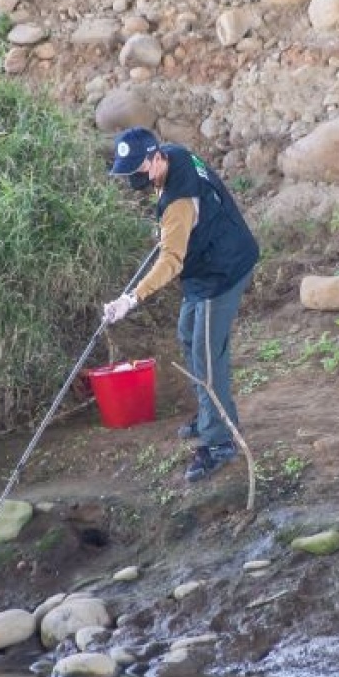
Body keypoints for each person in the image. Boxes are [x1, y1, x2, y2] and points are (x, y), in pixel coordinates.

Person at [102, 127, 260, 482]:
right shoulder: (175, 154)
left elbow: (172, 260)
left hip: (220, 272)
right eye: (128, 172)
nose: (134, 179)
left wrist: (131, 298)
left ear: (156, 157)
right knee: (188, 333)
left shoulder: (178, 202)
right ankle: (209, 412)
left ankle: (220, 441)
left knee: (206, 356)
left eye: (138, 170)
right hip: (209, 260)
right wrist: (167, 233)